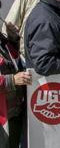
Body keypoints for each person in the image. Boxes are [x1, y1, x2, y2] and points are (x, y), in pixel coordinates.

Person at [0, 19, 29, 148]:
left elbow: (12, 61)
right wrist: (11, 80)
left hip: (13, 112)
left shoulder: (2, 38)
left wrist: (12, 40)